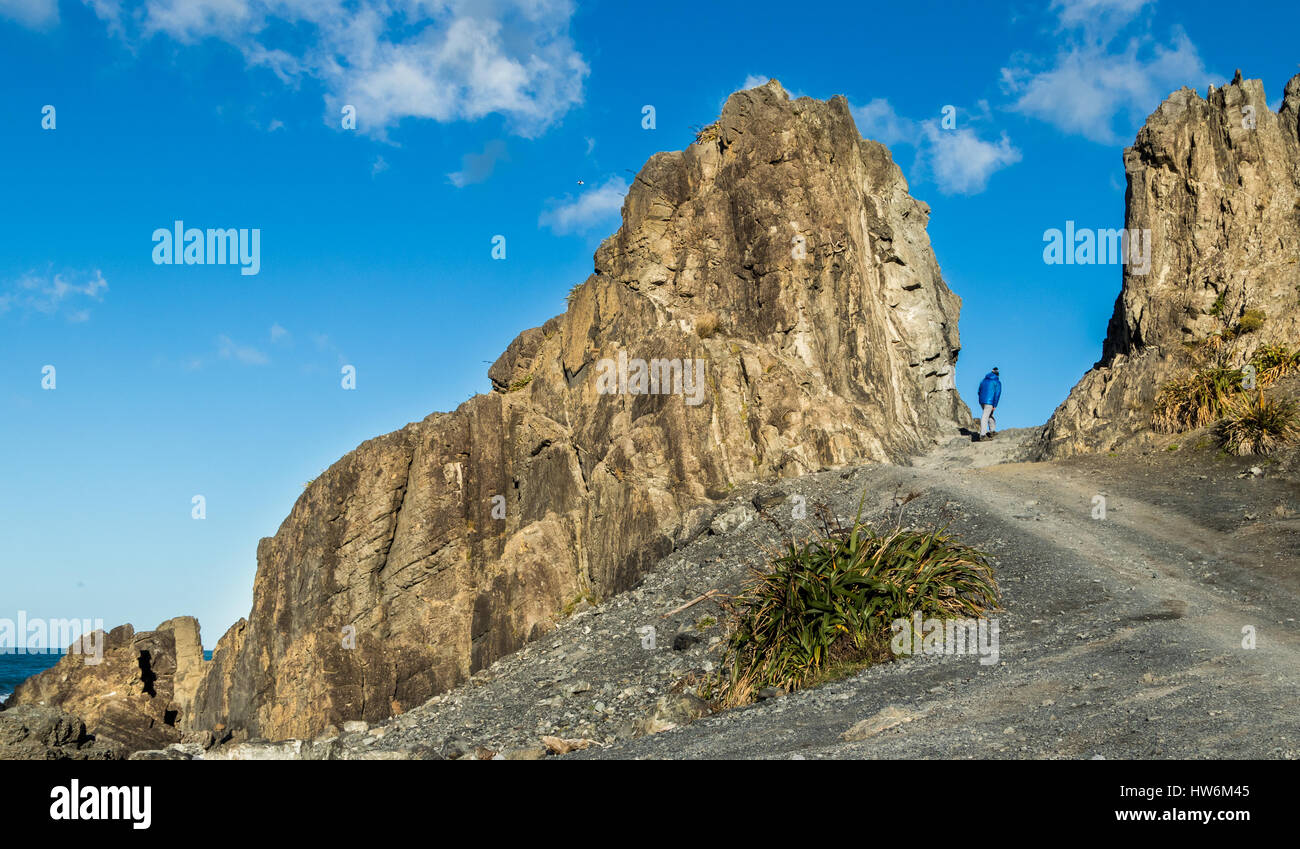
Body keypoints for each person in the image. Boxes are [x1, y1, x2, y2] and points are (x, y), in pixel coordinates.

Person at [975, 368, 1001, 441]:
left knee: (989, 414)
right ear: (997, 374)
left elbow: (979, 391)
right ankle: (983, 435)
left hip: (982, 401)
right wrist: (995, 405)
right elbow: (997, 394)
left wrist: (981, 399)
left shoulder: (983, 380)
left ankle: (992, 431)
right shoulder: (997, 382)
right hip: (990, 402)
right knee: (985, 416)